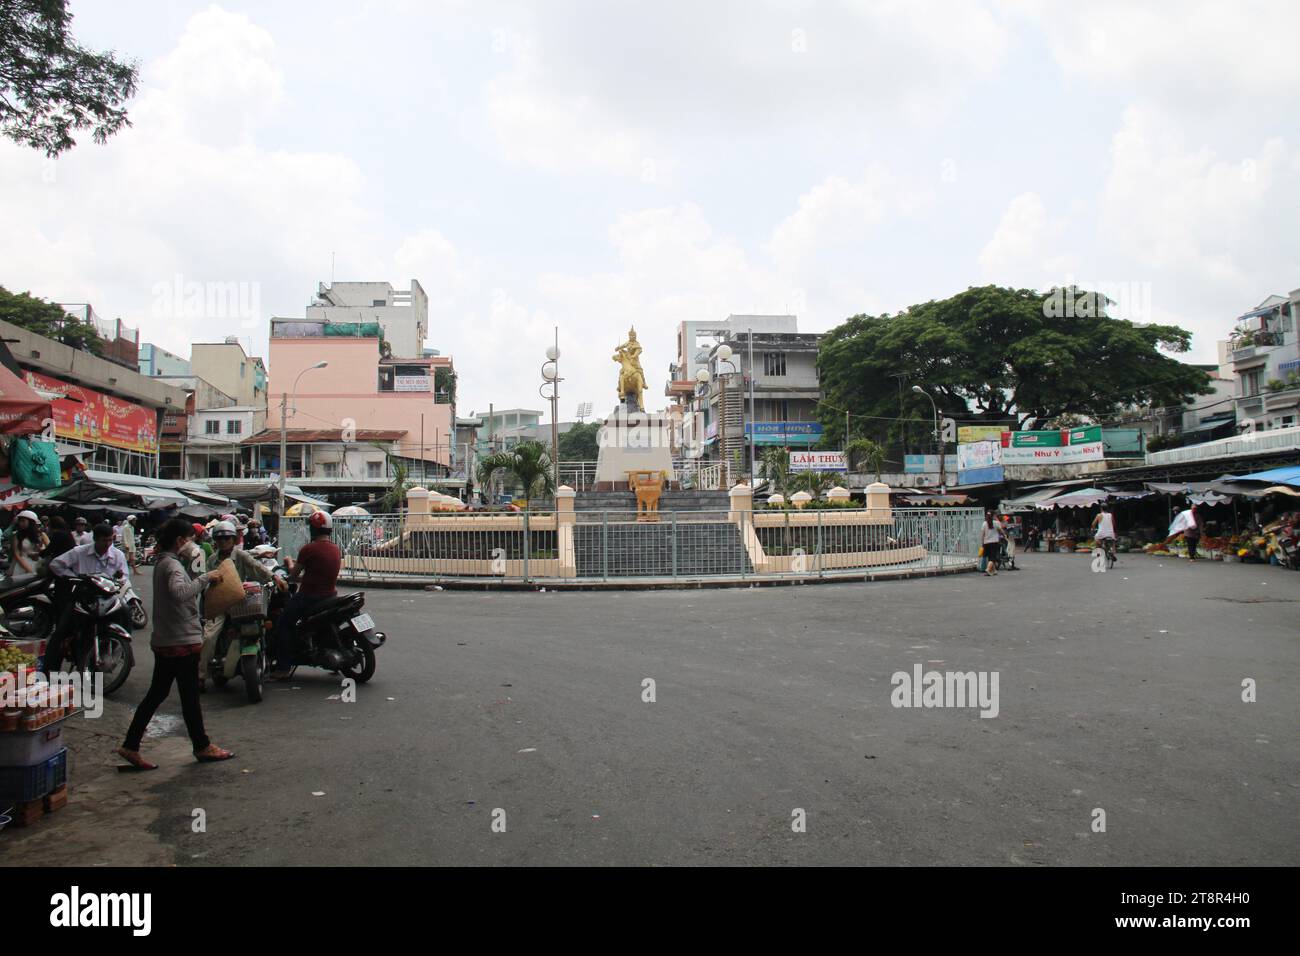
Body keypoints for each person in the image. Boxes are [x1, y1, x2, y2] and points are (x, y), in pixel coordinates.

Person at [116, 518, 233, 769]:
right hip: (180, 641)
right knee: (188, 697)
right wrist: (206, 578)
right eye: (190, 539)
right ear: (180, 541)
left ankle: (131, 744)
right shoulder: (171, 565)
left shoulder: (166, 563)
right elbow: (181, 594)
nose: (192, 543)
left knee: (157, 695)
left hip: (168, 639)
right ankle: (202, 746)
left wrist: (196, 570)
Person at [199, 520, 284, 688]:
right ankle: (200, 675)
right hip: (221, 606)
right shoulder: (211, 560)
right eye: (220, 539)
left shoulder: (240, 555)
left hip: (241, 602)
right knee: (209, 637)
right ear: (215, 540)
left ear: (233, 540)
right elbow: (205, 582)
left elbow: (257, 567)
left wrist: (274, 577)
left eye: (227, 538)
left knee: (262, 624)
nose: (224, 542)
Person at [46, 523, 129, 674]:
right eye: (104, 540)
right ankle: (49, 671)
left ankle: (120, 650)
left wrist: (120, 581)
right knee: (61, 631)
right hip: (83, 597)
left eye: (110, 540)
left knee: (125, 614)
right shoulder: (79, 552)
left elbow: (124, 576)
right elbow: (55, 564)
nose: (107, 544)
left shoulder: (118, 555)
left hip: (108, 597)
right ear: (95, 539)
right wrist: (73, 577)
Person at [269, 510, 340, 680]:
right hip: (331, 595)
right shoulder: (335, 548)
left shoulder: (308, 549)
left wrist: (288, 563)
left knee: (284, 624)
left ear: (313, 530)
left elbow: (293, 575)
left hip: (309, 597)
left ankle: (283, 667)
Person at [7, 510, 48, 582]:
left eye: (23, 521)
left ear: (31, 522)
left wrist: (41, 550)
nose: (21, 523)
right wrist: (28, 570)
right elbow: (16, 554)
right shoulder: (17, 535)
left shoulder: (41, 535)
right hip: (21, 565)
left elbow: (50, 549)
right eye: (20, 521)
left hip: (38, 564)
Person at [981, 510, 1004, 577]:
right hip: (994, 542)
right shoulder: (996, 523)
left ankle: (994, 570)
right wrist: (1004, 535)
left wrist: (982, 542)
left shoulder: (984, 523)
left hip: (986, 543)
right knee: (993, 557)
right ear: (993, 515)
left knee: (989, 557)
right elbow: (1001, 530)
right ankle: (988, 569)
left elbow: (982, 534)